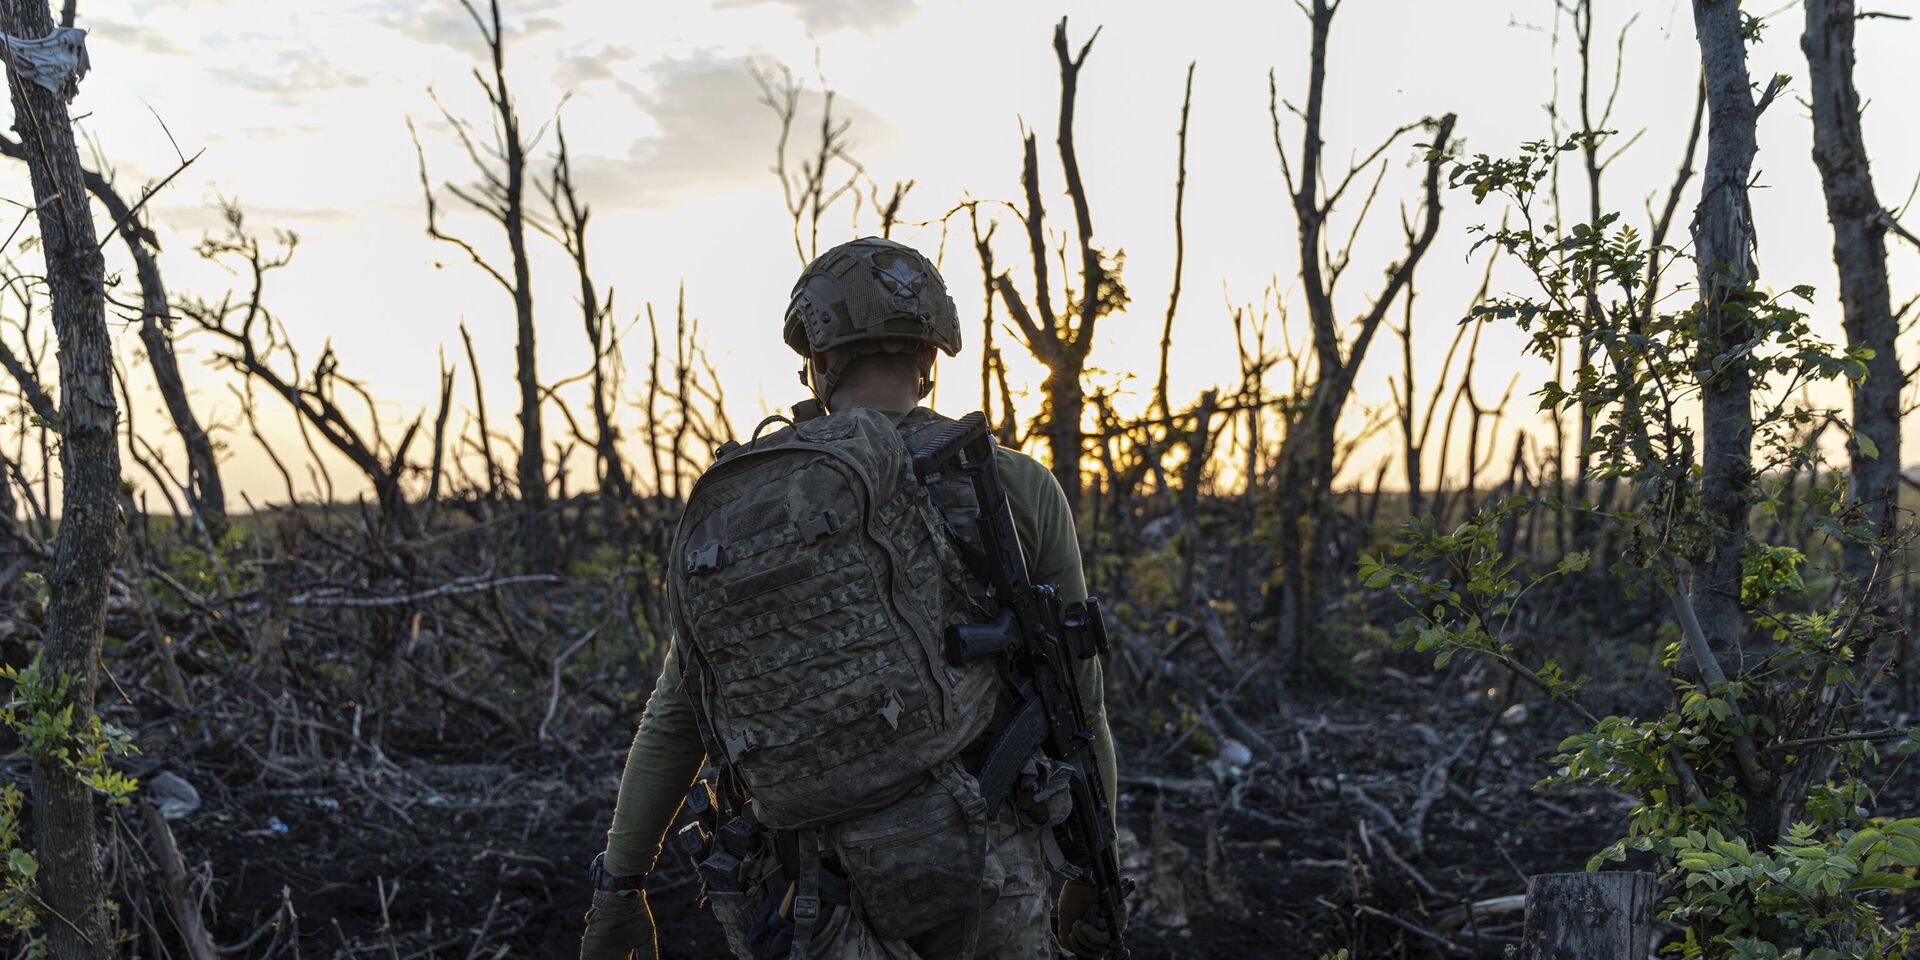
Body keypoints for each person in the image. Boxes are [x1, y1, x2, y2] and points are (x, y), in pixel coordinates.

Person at [579, 237, 1120, 960]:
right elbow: (1078, 698)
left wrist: (620, 885)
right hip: (986, 869)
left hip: (809, 888)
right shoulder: (1015, 485)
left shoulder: (757, 507)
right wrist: (1092, 868)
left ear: (821, 361)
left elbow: (679, 712)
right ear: (931, 358)